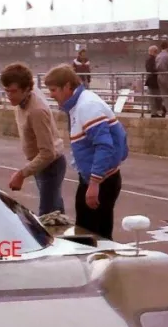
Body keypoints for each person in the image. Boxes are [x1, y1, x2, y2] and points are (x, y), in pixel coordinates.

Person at [44, 64, 128, 241]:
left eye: (53, 90)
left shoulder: (87, 106)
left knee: (91, 236)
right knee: (91, 232)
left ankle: (100, 266)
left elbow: (104, 146)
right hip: (96, 178)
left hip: (102, 180)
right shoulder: (80, 104)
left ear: (67, 86)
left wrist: (95, 182)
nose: (51, 95)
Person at [1, 62, 67, 216]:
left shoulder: (36, 111)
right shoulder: (22, 96)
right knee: (56, 210)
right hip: (39, 163)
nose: (10, 96)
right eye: (6, 91)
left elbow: (48, 153)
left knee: (47, 215)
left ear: (26, 90)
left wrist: (21, 174)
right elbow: (22, 75)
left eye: (14, 92)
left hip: (50, 165)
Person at [145, 45, 163, 118]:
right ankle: (155, 113)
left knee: (156, 98)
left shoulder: (152, 59)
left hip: (153, 81)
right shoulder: (151, 59)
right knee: (155, 98)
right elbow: (151, 70)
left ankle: (155, 112)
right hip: (153, 82)